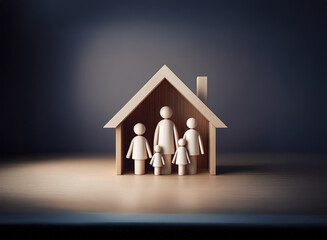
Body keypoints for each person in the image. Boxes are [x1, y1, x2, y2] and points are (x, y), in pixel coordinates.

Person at [153, 106, 179, 174]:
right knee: (163, 160)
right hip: (166, 146)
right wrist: (177, 147)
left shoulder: (161, 123)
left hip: (161, 147)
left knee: (165, 160)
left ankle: (165, 172)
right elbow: (176, 136)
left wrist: (154, 146)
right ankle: (165, 171)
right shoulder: (170, 123)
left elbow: (156, 136)